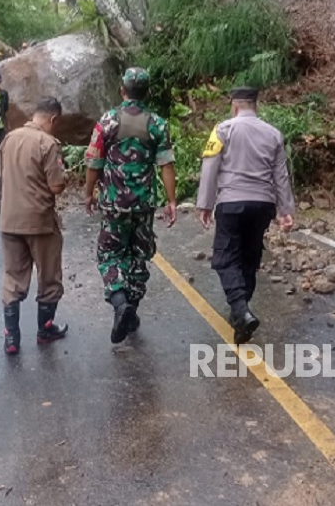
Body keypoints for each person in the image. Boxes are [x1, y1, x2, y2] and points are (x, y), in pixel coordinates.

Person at [84, 67, 178, 344]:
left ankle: (119, 302)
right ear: (147, 93)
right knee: (138, 256)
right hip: (144, 204)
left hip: (114, 203)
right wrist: (172, 201)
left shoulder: (108, 121)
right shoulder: (158, 124)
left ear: (122, 90)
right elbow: (166, 165)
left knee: (109, 255)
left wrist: (89, 193)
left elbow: (94, 161)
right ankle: (131, 311)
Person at [195, 86, 295, 344]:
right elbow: (280, 175)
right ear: (254, 105)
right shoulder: (274, 134)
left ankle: (240, 309)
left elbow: (210, 168)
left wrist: (204, 204)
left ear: (235, 105)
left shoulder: (222, 130)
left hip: (231, 203)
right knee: (249, 259)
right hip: (263, 205)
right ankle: (242, 321)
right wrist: (286, 210)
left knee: (225, 259)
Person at [0, 96, 69, 355]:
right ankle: (45, 329)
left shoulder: (9, 139)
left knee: (12, 278)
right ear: (52, 119)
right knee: (49, 277)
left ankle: (12, 338)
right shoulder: (47, 143)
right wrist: (64, 178)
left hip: (9, 220)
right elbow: (55, 186)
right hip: (39, 222)